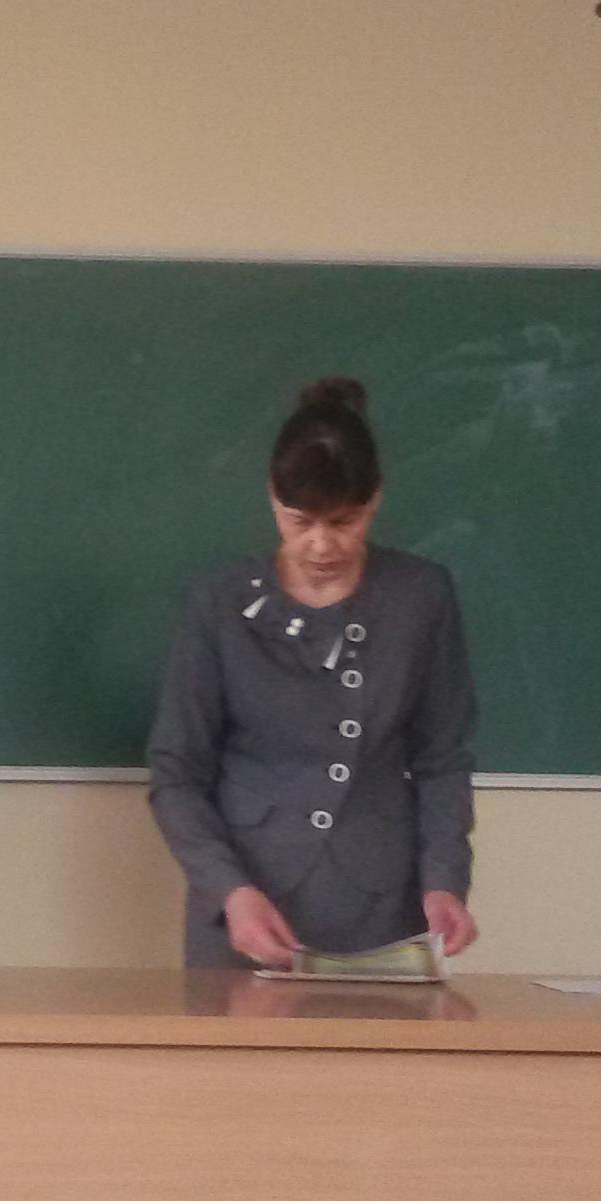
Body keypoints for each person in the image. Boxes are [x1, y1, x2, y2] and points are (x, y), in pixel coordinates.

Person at [147, 377, 477, 970]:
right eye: (300, 522)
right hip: (245, 912)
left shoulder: (420, 596)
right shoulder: (219, 603)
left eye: (344, 521)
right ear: (272, 498)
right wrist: (229, 890)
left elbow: (442, 759)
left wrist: (445, 880)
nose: (322, 545)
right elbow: (176, 774)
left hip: (382, 912)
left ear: (376, 498)